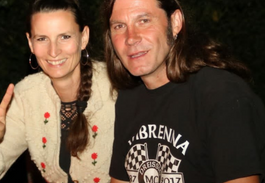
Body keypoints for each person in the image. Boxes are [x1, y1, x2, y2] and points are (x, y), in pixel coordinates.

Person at [100, 0, 265, 182]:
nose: (131, 37)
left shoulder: (221, 95)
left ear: (175, 22)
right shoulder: (129, 97)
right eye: (119, 26)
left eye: (144, 21)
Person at [0, 0, 116, 182]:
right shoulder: (26, 96)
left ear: (83, 37)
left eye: (65, 37)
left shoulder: (116, 88)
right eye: (42, 39)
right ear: (30, 43)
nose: (53, 51)